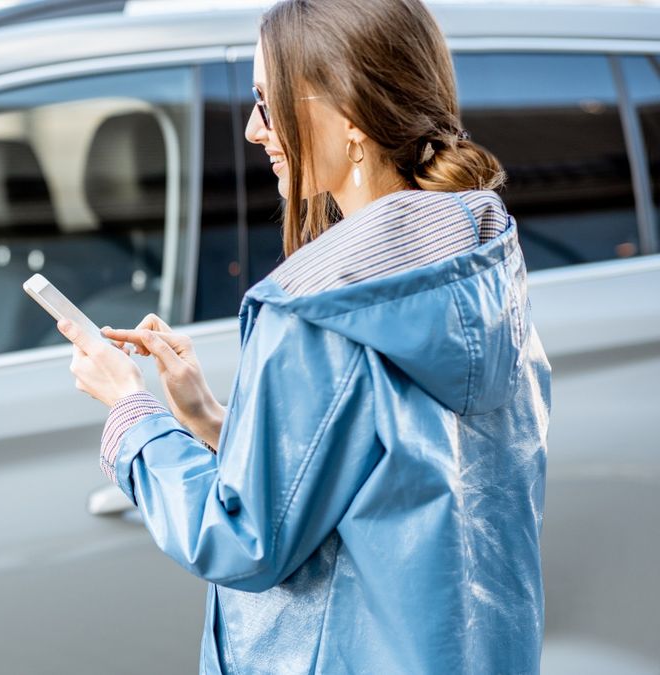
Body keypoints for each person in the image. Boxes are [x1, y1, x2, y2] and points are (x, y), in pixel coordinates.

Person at [55, 0, 551, 673]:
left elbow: (240, 539)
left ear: (349, 116)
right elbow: (381, 484)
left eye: (268, 101)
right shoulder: (487, 272)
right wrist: (211, 419)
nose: (256, 130)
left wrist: (132, 413)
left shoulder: (317, 309)